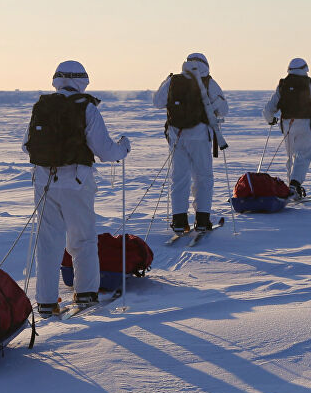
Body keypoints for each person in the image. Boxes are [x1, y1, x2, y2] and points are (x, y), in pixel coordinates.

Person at [24, 61, 130, 316]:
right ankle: (85, 295)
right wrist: (123, 148)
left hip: (43, 181)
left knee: (49, 242)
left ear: (56, 80)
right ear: (83, 81)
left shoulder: (42, 106)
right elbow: (104, 150)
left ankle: (46, 301)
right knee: (82, 239)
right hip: (77, 182)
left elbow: (27, 146)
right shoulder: (87, 108)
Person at [153, 52, 229, 232]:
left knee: (179, 178)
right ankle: (203, 220)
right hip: (200, 136)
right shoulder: (208, 81)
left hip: (176, 135)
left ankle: (179, 221)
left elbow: (157, 102)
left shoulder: (173, 81)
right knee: (203, 177)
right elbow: (224, 109)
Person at [262, 57, 311, 197]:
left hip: (287, 124)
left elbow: (270, 107)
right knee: (303, 155)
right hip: (304, 124)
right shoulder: (310, 83)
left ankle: (291, 187)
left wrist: (270, 120)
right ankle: (294, 185)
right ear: (305, 68)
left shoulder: (283, 84)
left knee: (291, 156)